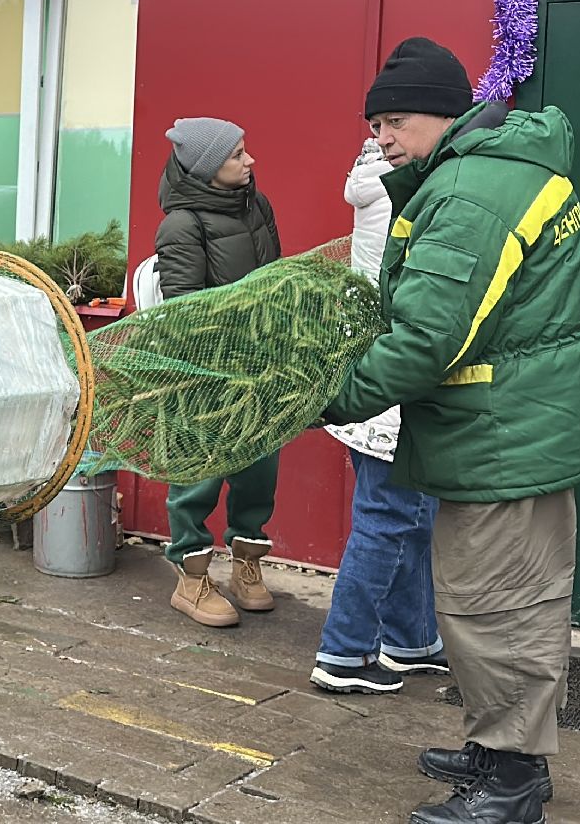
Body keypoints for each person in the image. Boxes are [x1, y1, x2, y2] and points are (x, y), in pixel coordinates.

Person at [321, 37, 580, 824]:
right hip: (513, 428)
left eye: (395, 121)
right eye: (376, 123)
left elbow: (429, 338)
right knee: (500, 600)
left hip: (505, 436)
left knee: (499, 609)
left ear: (445, 115)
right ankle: (498, 750)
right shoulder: (497, 170)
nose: (381, 137)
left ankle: (512, 783)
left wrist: (328, 396)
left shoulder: (473, 193)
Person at [312, 138, 445, 695]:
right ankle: (344, 651)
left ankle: (411, 640)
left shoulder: (374, 178)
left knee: (408, 519)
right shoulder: (412, 190)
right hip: (393, 386)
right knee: (389, 519)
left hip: (368, 381)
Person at [154, 117, 282, 628]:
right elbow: (183, 310)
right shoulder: (181, 225)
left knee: (259, 468)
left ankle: (246, 566)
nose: (250, 162)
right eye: (237, 155)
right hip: (207, 369)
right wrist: (223, 355)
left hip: (263, 364)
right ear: (207, 168)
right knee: (200, 472)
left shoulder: (257, 205)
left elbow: (277, 274)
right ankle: (191, 578)